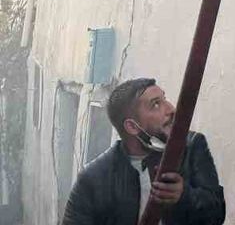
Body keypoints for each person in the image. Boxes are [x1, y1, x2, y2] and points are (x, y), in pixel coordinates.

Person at [62, 78, 225, 225]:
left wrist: (184, 196)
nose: (171, 109)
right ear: (132, 127)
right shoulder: (93, 179)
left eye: (164, 99)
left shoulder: (193, 147)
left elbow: (217, 215)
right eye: (156, 104)